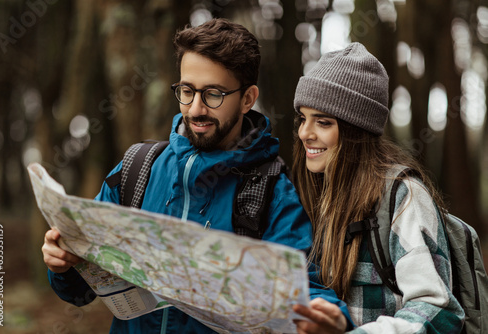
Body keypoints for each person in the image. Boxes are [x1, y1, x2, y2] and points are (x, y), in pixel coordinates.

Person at [41, 18, 354, 333]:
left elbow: (304, 289)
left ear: (247, 98)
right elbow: (80, 292)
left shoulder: (272, 192)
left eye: (214, 94)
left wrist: (330, 318)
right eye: (187, 91)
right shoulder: (136, 169)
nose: (195, 109)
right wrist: (63, 265)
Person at [290, 42, 465, 333]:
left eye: (322, 122)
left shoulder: (403, 197)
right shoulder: (318, 193)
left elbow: (437, 309)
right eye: (302, 118)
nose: (304, 133)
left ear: (355, 130)